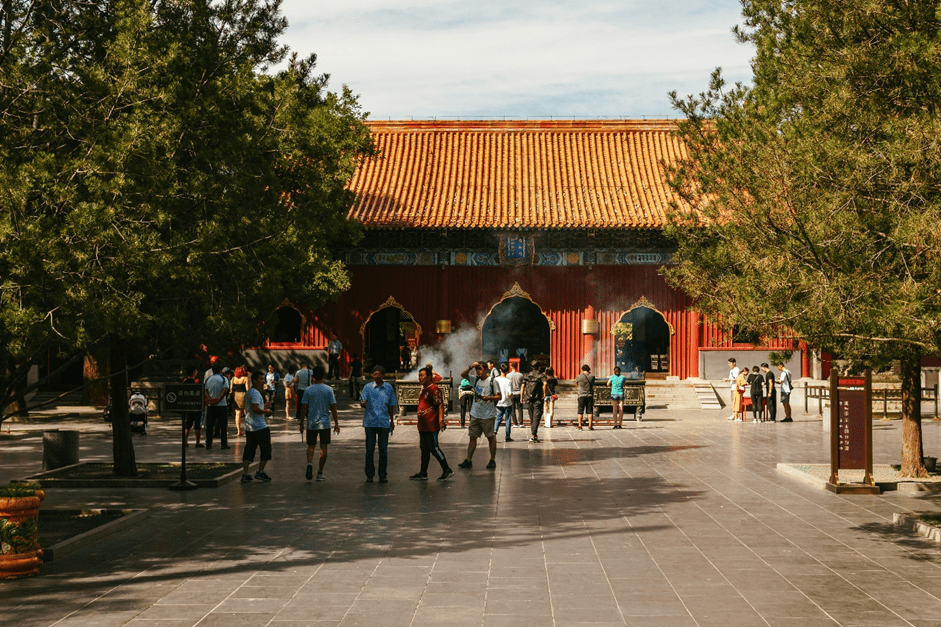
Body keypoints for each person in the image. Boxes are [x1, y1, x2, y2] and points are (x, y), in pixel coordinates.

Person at [410, 366, 454, 482]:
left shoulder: (434, 389)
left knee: (434, 448)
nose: (420, 378)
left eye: (422, 376)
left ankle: (447, 469)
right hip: (423, 425)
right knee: (424, 449)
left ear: (429, 377)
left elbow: (440, 405)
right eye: (419, 376)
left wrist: (441, 420)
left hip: (431, 425)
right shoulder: (423, 389)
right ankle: (423, 472)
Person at [300, 365, 339, 482]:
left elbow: (303, 407)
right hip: (325, 423)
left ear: (312, 377)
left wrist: (301, 422)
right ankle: (320, 472)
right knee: (323, 447)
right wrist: (336, 423)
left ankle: (310, 463)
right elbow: (333, 407)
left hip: (311, 422)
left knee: (311, 446)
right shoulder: (328, 390)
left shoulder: (308, 390)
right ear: (323, 376)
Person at [458, 361, 500, 469]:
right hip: (475, 414)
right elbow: (463, 374)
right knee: (472, 437)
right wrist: (471, 366)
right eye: (476, 370)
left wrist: (488, 398)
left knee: (490, 437)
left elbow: (499, 396)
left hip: (488, 415)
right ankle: (468, 459)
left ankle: (492, 460)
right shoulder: (475, 379)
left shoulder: (492, 381)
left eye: (480, 369)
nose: (478, 372)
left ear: (486, 369)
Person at [359, 365, 397, 483]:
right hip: (370, 422)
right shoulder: (367, 387)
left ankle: (382, 474)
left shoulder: (389, 388)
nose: (377, 376)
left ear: (383, 375)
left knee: (383, 450)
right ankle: (369, 475)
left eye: (379, 374)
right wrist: (363, 403)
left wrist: (392, 420)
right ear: (372, 375)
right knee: (369, 450)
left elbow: (391, 405)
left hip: (383, 422)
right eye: (375, 374)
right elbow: (362, 402)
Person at [241, 370, 274, 483]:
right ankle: (260, 471)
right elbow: (255, 409)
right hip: (259, 426)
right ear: (254, 380)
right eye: (260, 379)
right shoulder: (255, 392)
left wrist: (264, 406)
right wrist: (267, 411)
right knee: (265, 449)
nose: (262, 381)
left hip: (250, 426)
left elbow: (253, 407)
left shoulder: (250, 392)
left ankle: (245, 473)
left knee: (249, 449)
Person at [203, 362, 229, 450]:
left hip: (211, 406)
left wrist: (210, 399)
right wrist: (218, 399)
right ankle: (224, 444)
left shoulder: (208, 379)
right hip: (222, 405)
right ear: (221, 370)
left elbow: (205, 390)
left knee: (209, 426)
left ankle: (208, 444)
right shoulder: (224, 379)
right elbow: (225, 390)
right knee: (223, 426)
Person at [522, 360, 546, 442]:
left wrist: (521, 397)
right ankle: (533, 435)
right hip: (537, 399)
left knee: (532, 417)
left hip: (529, 399)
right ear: (539, 367)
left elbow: (522, 386)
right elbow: (545, 384)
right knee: (536, 417)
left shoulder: (527, 375)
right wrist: (544, 393)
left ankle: (534, 434)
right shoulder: (541, 375)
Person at [182, 366, 203, 447]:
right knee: (197, 425)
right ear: (194, 372)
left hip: (187, 406)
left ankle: (185, 441)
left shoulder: (184, 381)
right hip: (197, 406)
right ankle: (197, 442)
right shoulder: (197, 382)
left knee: (187, 425)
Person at [493, 363, 514, 442]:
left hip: (499, 402)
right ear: (507, 371)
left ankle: (494, 433)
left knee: (498, 418)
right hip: (508, 403)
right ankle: (507, 436)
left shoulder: (496, 380)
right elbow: (510, 394)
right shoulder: (508, 381)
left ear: (500, 370)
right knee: (508, 419)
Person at [230, 366, 250, 437]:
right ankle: (248, 428)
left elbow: (231, 389)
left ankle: (239, 430)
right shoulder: (245, 378)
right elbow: (247, 389)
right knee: (246, 412)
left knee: (237, 413)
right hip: (243, 395)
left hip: (236, 395)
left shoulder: (233, 379)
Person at [575, 364, 596, 430]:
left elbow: (577, 384)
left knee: (580, 411)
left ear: (582, 370)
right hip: (589, 395)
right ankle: (590, 425)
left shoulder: (579, 377)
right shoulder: (592, 376)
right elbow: (593, 382)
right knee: (590, 411)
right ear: (589, 370)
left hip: (581, 395)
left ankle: (580, 425)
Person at [507, 361, 524, 429]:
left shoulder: (508, 375)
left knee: (512, 409)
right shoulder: (520, 375)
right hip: (519, 393)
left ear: (511, 367)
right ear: (517, 367)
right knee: (520, 408)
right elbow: (522, 385)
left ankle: (515, 423)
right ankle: (521, 423)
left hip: (511, 393)